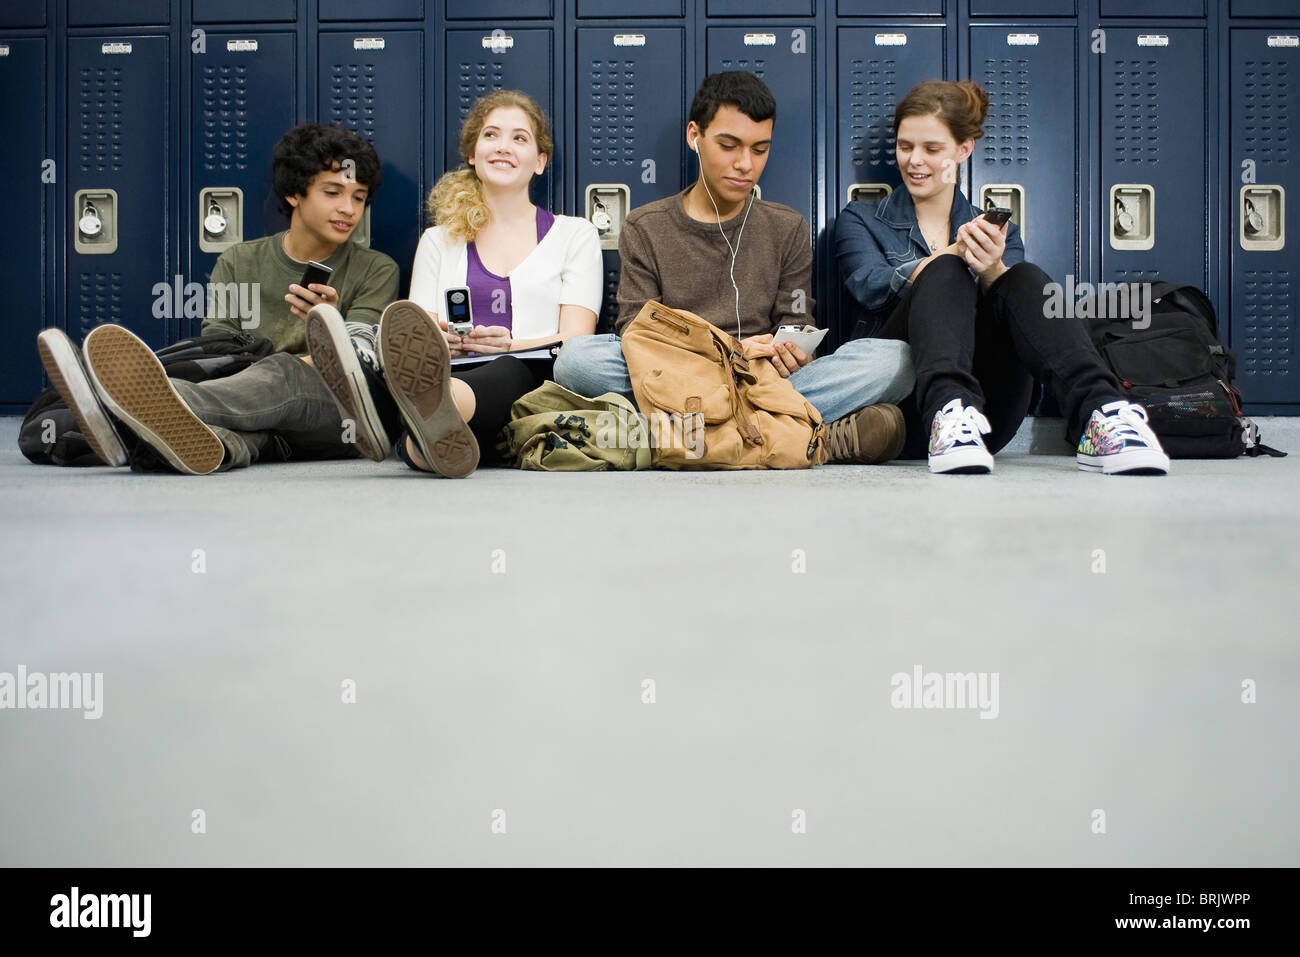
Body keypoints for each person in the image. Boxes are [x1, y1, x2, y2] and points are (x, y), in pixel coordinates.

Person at [552, 71, 915, 465]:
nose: (745, 164)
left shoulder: (786, 226)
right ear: (695, 136)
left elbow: (795, 323)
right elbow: (637, 333)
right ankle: (796, 432)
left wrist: (792, 351)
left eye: (760, 150)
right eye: (729, 145)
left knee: (896, 361)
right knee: (578, 360)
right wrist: (732, 349)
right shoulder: (646, 225)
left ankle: (681, 433)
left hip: (760, 379)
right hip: (678, 375)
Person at [835, 79, 1170, 475]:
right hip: (900, 410)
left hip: (987, 416)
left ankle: (1103, 414)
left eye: (932, 149)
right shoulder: (861, 219)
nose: (914, 161)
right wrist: (952, 255)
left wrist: (991, 268)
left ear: (964, 149)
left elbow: (1015, 313)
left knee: (1021, 276)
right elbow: (871, 286)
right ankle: (947, 408)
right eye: (905, 147)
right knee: (946, 269)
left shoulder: (997, 230)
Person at [35, 123, 399, 474]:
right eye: (332, 193)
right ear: (294, 193)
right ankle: (201, 444)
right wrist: (253, 382)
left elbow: (360, 359)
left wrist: (328, 325)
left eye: (359, 197)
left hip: (341, 411)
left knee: (283, 372)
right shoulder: (239, 261)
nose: (349, 209)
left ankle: (119, 408)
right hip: (250, 406)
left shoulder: (377, 269)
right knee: (250, 429)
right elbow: (218, 346)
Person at [305, 89, 602, 477]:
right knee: (417, 374)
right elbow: (415, 334)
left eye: (520, 138)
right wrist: (442, 339)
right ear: (472, 154)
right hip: (451, 369)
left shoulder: (574, 235)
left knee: (507, 369)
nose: (503, 147)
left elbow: (575, 341)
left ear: (540, 162)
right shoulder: (438, 240)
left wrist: (509, 344)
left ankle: (396, 415)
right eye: (491, 135)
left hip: (532, 378)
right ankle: (421, 437)